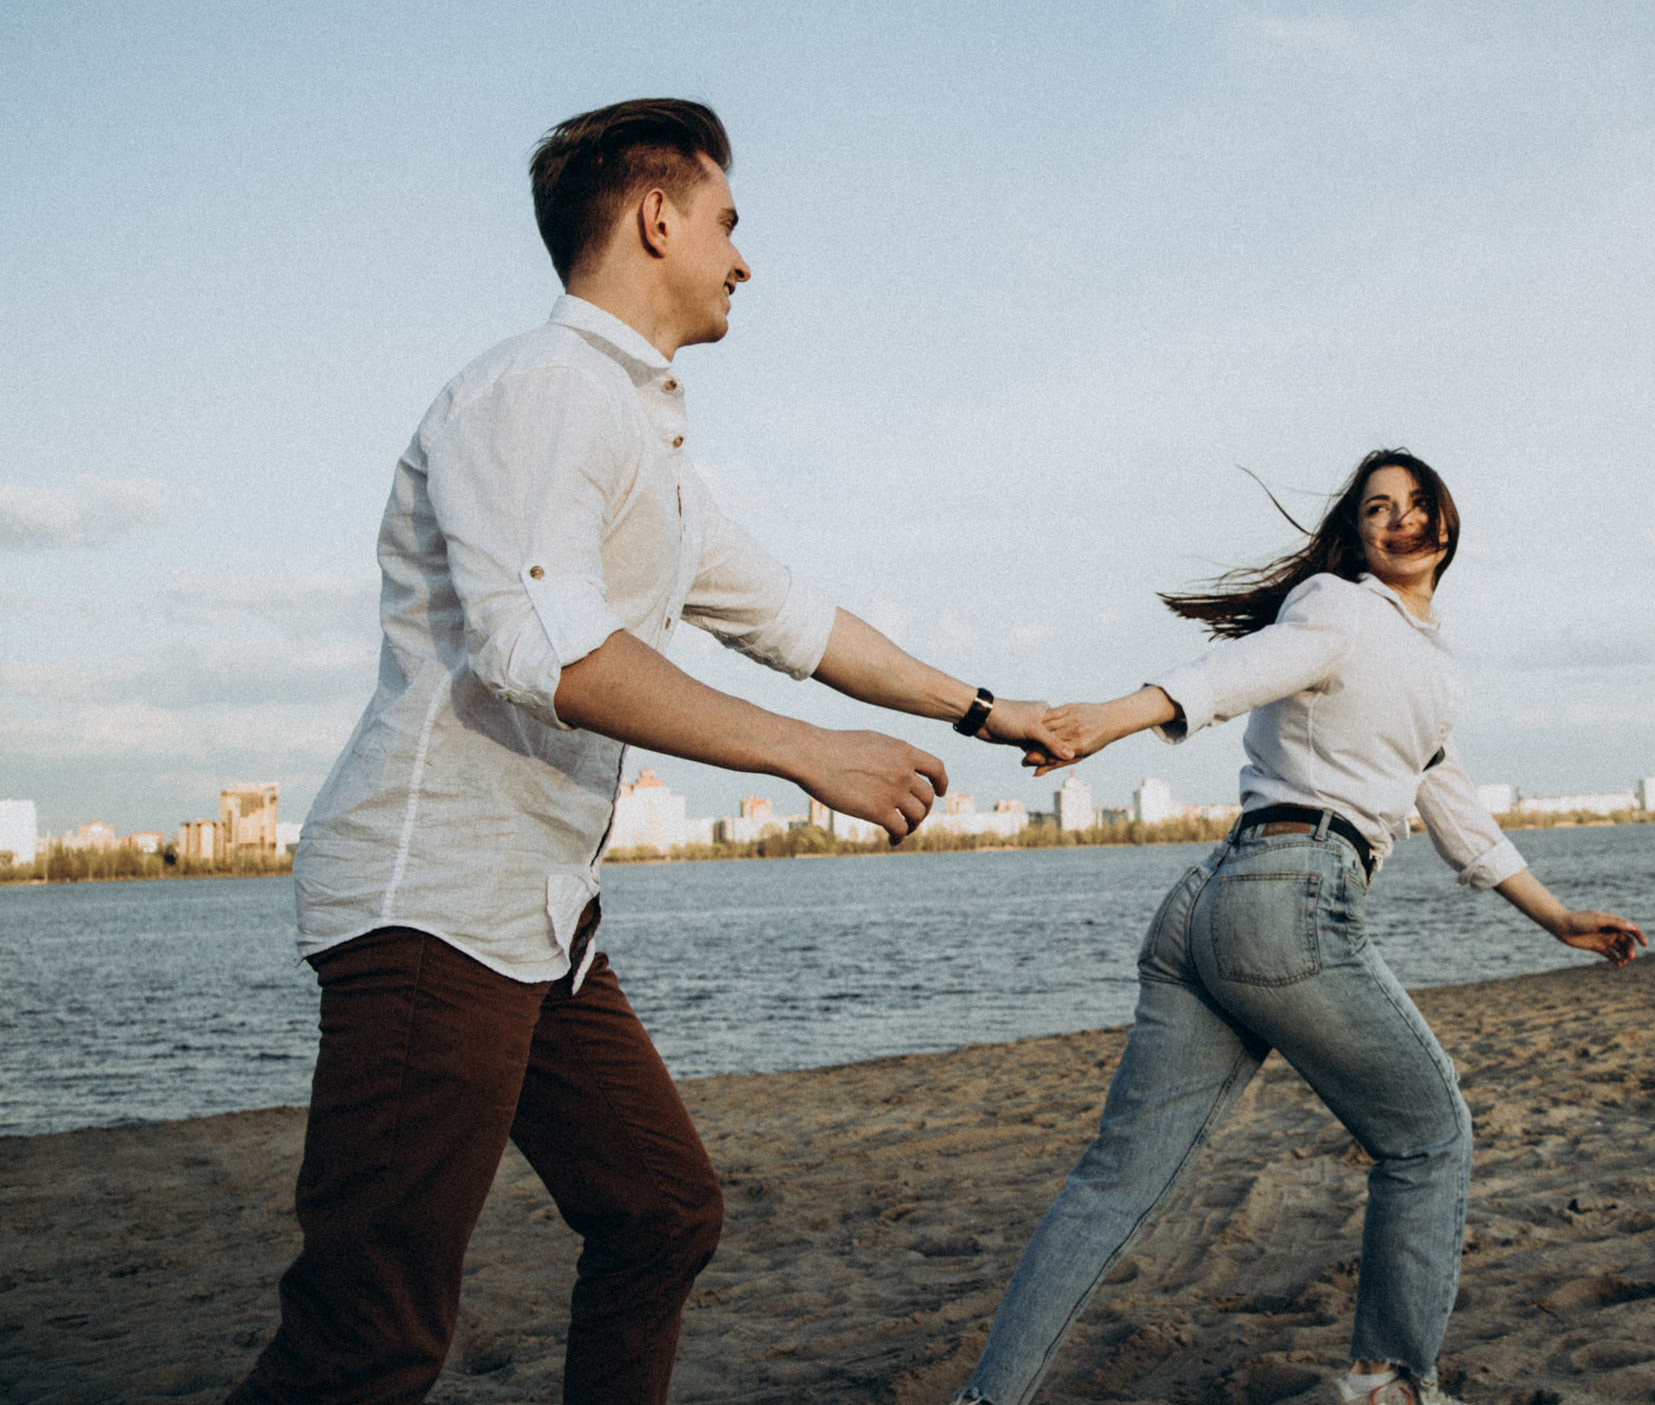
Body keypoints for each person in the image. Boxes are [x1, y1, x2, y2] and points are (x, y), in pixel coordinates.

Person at [227, 98, 1058, 1405]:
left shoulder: (646, 441)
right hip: (434, 909)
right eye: (729, 224)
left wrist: (985, 710)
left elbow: (793, 617)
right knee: (369, 1336)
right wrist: (803, 757)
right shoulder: (540, 392)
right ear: (656, 218)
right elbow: (544, 652)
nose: (743, 258)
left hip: (542, 925)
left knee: (662, 1210)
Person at [955, 450, 1649, 1405]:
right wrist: (1110, 720)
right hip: (1287, 897)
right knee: (1430, 1140)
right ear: (1356, 534)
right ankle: (1388, 1388)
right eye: (1377, 508)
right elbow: (1250, 666)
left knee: (1114, 1181)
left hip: (1213, 905)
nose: (1398, 518)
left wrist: (1558, 917)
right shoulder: (1340, 606)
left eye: (1415, 503)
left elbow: (1450, 803)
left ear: (1447, 522)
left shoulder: (1424, 670)